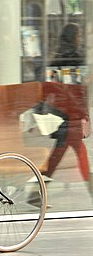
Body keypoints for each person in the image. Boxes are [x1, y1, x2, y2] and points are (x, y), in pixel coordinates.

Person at [41, 23, 90, 190]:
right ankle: (91, 191)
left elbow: (50, 85)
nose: (81, 38)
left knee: (60, 152)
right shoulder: (77, 56)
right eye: (79, 35)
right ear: (73, 37)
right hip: (73, 112)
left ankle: (37, 191)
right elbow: (80, 88)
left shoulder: (57, 55)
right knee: (74, 151)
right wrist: (84, 112)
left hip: (62, 110)